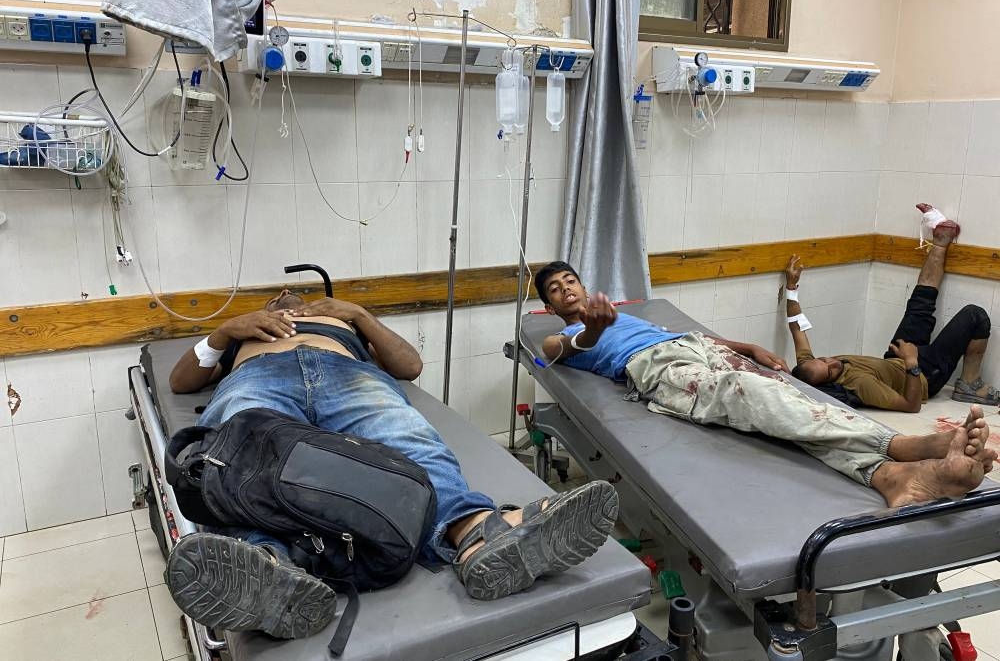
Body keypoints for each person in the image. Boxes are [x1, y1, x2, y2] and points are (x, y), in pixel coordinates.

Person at [166, 290, 619, 640]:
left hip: (348, 375)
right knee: (235, 452)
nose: (287, 298)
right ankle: (264, 565)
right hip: (259, 377)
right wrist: (226, 331)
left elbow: (410, 365)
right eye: (276, 298)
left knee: (407, 437)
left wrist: (359, 316)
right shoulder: (244, 333)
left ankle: (477, 533)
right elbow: (181, 381)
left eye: (294, 296)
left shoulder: (340, 323)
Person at [534, 260, 996, 510]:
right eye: (556, 289)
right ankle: (899, 447)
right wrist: (592, 331)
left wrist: (748, 346)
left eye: (570, 280)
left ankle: (892, 479)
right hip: (655, 369)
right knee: (753, 395)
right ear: (551, 307)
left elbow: (677, 335)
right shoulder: (563, 334)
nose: (566, 288)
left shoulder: (623, 311)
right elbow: (569, 348)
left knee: (786, 402)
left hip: (696, 346)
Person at [788, 204, 999, 411]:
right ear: (828, 384)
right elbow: (911, 405)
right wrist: (911, 362)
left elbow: (797, 328)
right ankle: (969, 384)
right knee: (975, 316)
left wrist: (791, 288)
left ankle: (939, 244)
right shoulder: (860, 384)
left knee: (919, 304)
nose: (833, 363)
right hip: (922, 375)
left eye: (824, 360)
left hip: (896, 357)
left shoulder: (809, 369)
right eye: (830, 372)